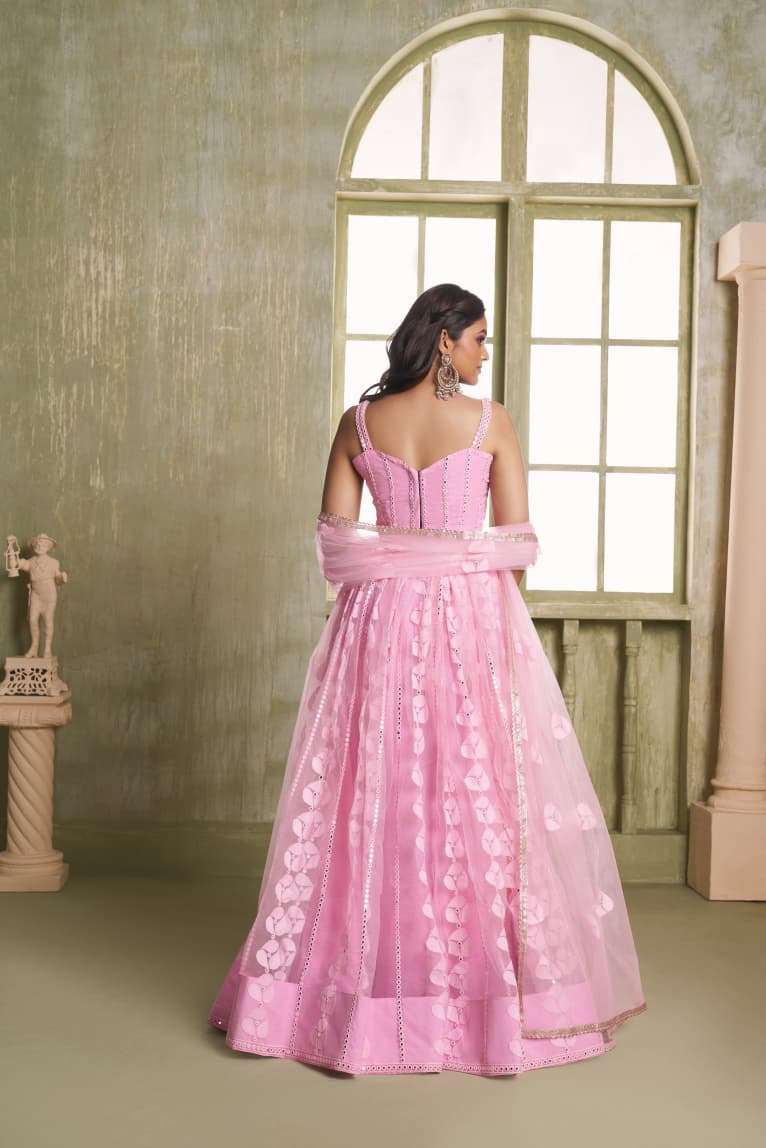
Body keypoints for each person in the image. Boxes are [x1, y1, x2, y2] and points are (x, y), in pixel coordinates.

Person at [208, 283, 647, 1076]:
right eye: (478, 338)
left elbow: (335, 548)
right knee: (476, 789)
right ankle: (478, 998)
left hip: (375, 622)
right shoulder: (489, 422)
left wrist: (400, 561)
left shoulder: (360, 422)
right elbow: (516, 545)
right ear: (444, 340)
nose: (484, 352)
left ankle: (355, 993)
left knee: (369, 786)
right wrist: (461, 570)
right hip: (468, 620)